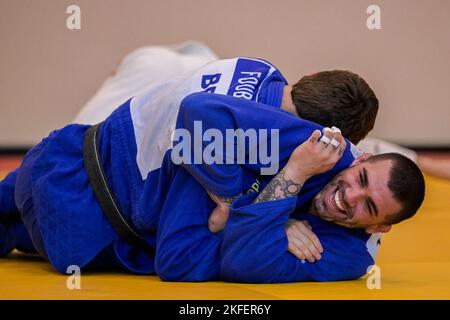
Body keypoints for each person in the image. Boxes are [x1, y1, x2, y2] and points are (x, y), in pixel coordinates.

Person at [0, 88, 424, 283]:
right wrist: (248, 201)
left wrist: (289, 180)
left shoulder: (348, 255)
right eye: (360, 179)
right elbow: (198, 113)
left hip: (88, 227)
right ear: (359, 156)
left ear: (379, 228)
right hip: (76, 166)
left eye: (369, 207)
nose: (350, 196)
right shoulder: (314, 145)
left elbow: (245, 264)